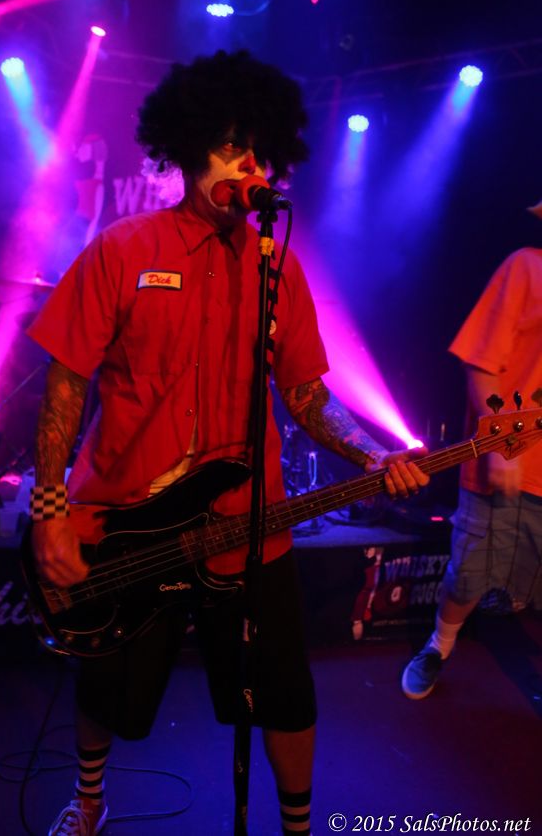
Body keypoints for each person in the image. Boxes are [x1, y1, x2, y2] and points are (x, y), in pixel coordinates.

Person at [27, 50, 429, 836]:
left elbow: (306, 394)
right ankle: (88, 802)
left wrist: (371, 456)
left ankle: (297, 828)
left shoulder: (278, 269)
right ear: (188, 150)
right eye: (230, 145)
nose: (250, 165)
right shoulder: (123, 250)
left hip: (248, 528)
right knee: (106, 683)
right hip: (127, 523)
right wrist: (48, 510)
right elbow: (66, 382)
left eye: (260, 150)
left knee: (284, 694)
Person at [401, 210, 542, 701]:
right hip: (511, 464)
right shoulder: (526, 267)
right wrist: (501, 447)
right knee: (468, 577)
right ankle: (438, 646)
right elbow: (481, 362)